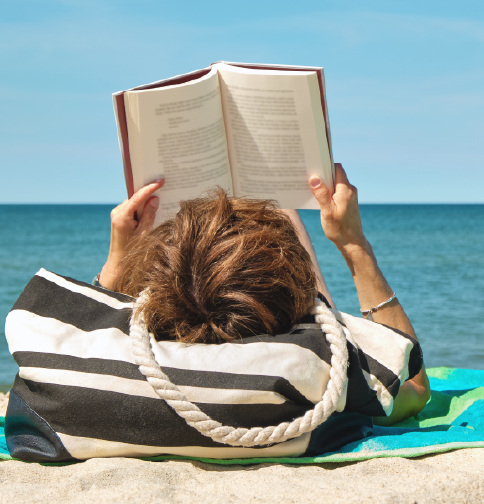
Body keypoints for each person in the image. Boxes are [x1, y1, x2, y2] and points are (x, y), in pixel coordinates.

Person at [97, 164, 430, 425]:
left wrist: (116, 263)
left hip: (182, 335)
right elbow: (412, 388)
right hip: (279, 334)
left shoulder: (128, 373)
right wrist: (354, 244)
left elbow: (86, 332)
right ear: (298, 298)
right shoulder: (318, 377)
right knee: (282, 211)